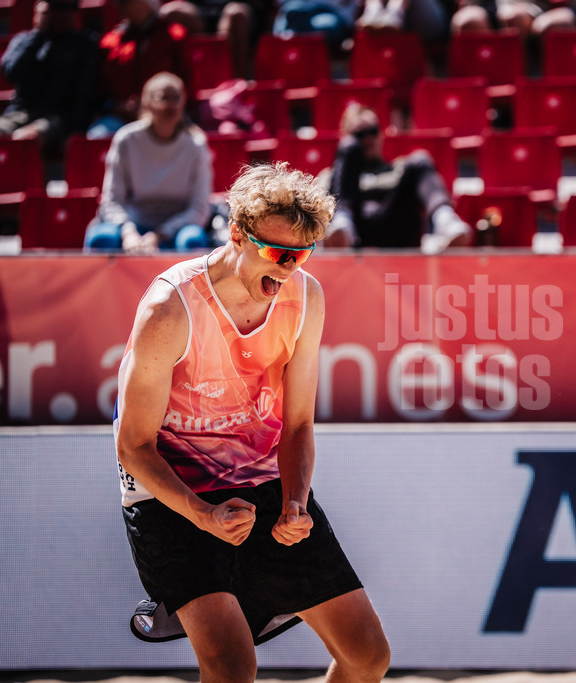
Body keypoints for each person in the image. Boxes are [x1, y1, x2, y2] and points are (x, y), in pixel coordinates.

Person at [114, 160, 391, 681]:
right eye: (276, 252)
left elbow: (299, 424)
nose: (288, 269)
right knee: (233, 666)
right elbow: (133, 446)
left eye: (302, 254)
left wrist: (295, 501)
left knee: (368, 655)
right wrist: (200, 514)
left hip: (258, 479)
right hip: (170, 489)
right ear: (237, 233)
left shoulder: (305, 296)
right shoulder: (170, 308)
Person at [85, 72, 212, 252]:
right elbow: (112, 200)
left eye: (175, 98)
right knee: (102, 239)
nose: (171, 105)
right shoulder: (126, 140)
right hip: (133, 223)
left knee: (192, 240)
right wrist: (129, 233)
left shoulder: (196, 144)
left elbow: (199, 207)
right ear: (147, 103)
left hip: (175, 229)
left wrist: (161, 234)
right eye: (164, 98)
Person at [324, 103, 472, 253]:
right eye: (360, 134)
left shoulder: (399, 168)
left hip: (396, 230)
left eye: (373, 131)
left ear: (381, 135)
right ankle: (342, 224)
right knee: (336, 214)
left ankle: (447, 223)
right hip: (354, 232)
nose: (368, 139)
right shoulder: (333, 175)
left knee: (420, 159)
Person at [0, 0, 98, 157]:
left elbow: (85, 96)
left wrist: (75, 132)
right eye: (58, 7)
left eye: (71, 8)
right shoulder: (24, 40)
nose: (65, 13)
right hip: (19, 114)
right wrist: (39, 33)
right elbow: (11, 72)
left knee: (23, 139)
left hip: (57, 119)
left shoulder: (84, 45)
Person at [89, 0, 189, 138]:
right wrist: (115, 106)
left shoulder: (174, 36)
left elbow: (187, 83)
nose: (119, 6)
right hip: (120, 117)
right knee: (97, 137)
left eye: (126, 2)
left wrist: (159, 104)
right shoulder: (110, 42)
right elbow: (100, 89)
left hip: (164, 115)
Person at [159, 0, 275, 79]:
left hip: (236, 12)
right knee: (170, 12)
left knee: (235, 14)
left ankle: (237, 87)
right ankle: (191, 82)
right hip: (202, 13)